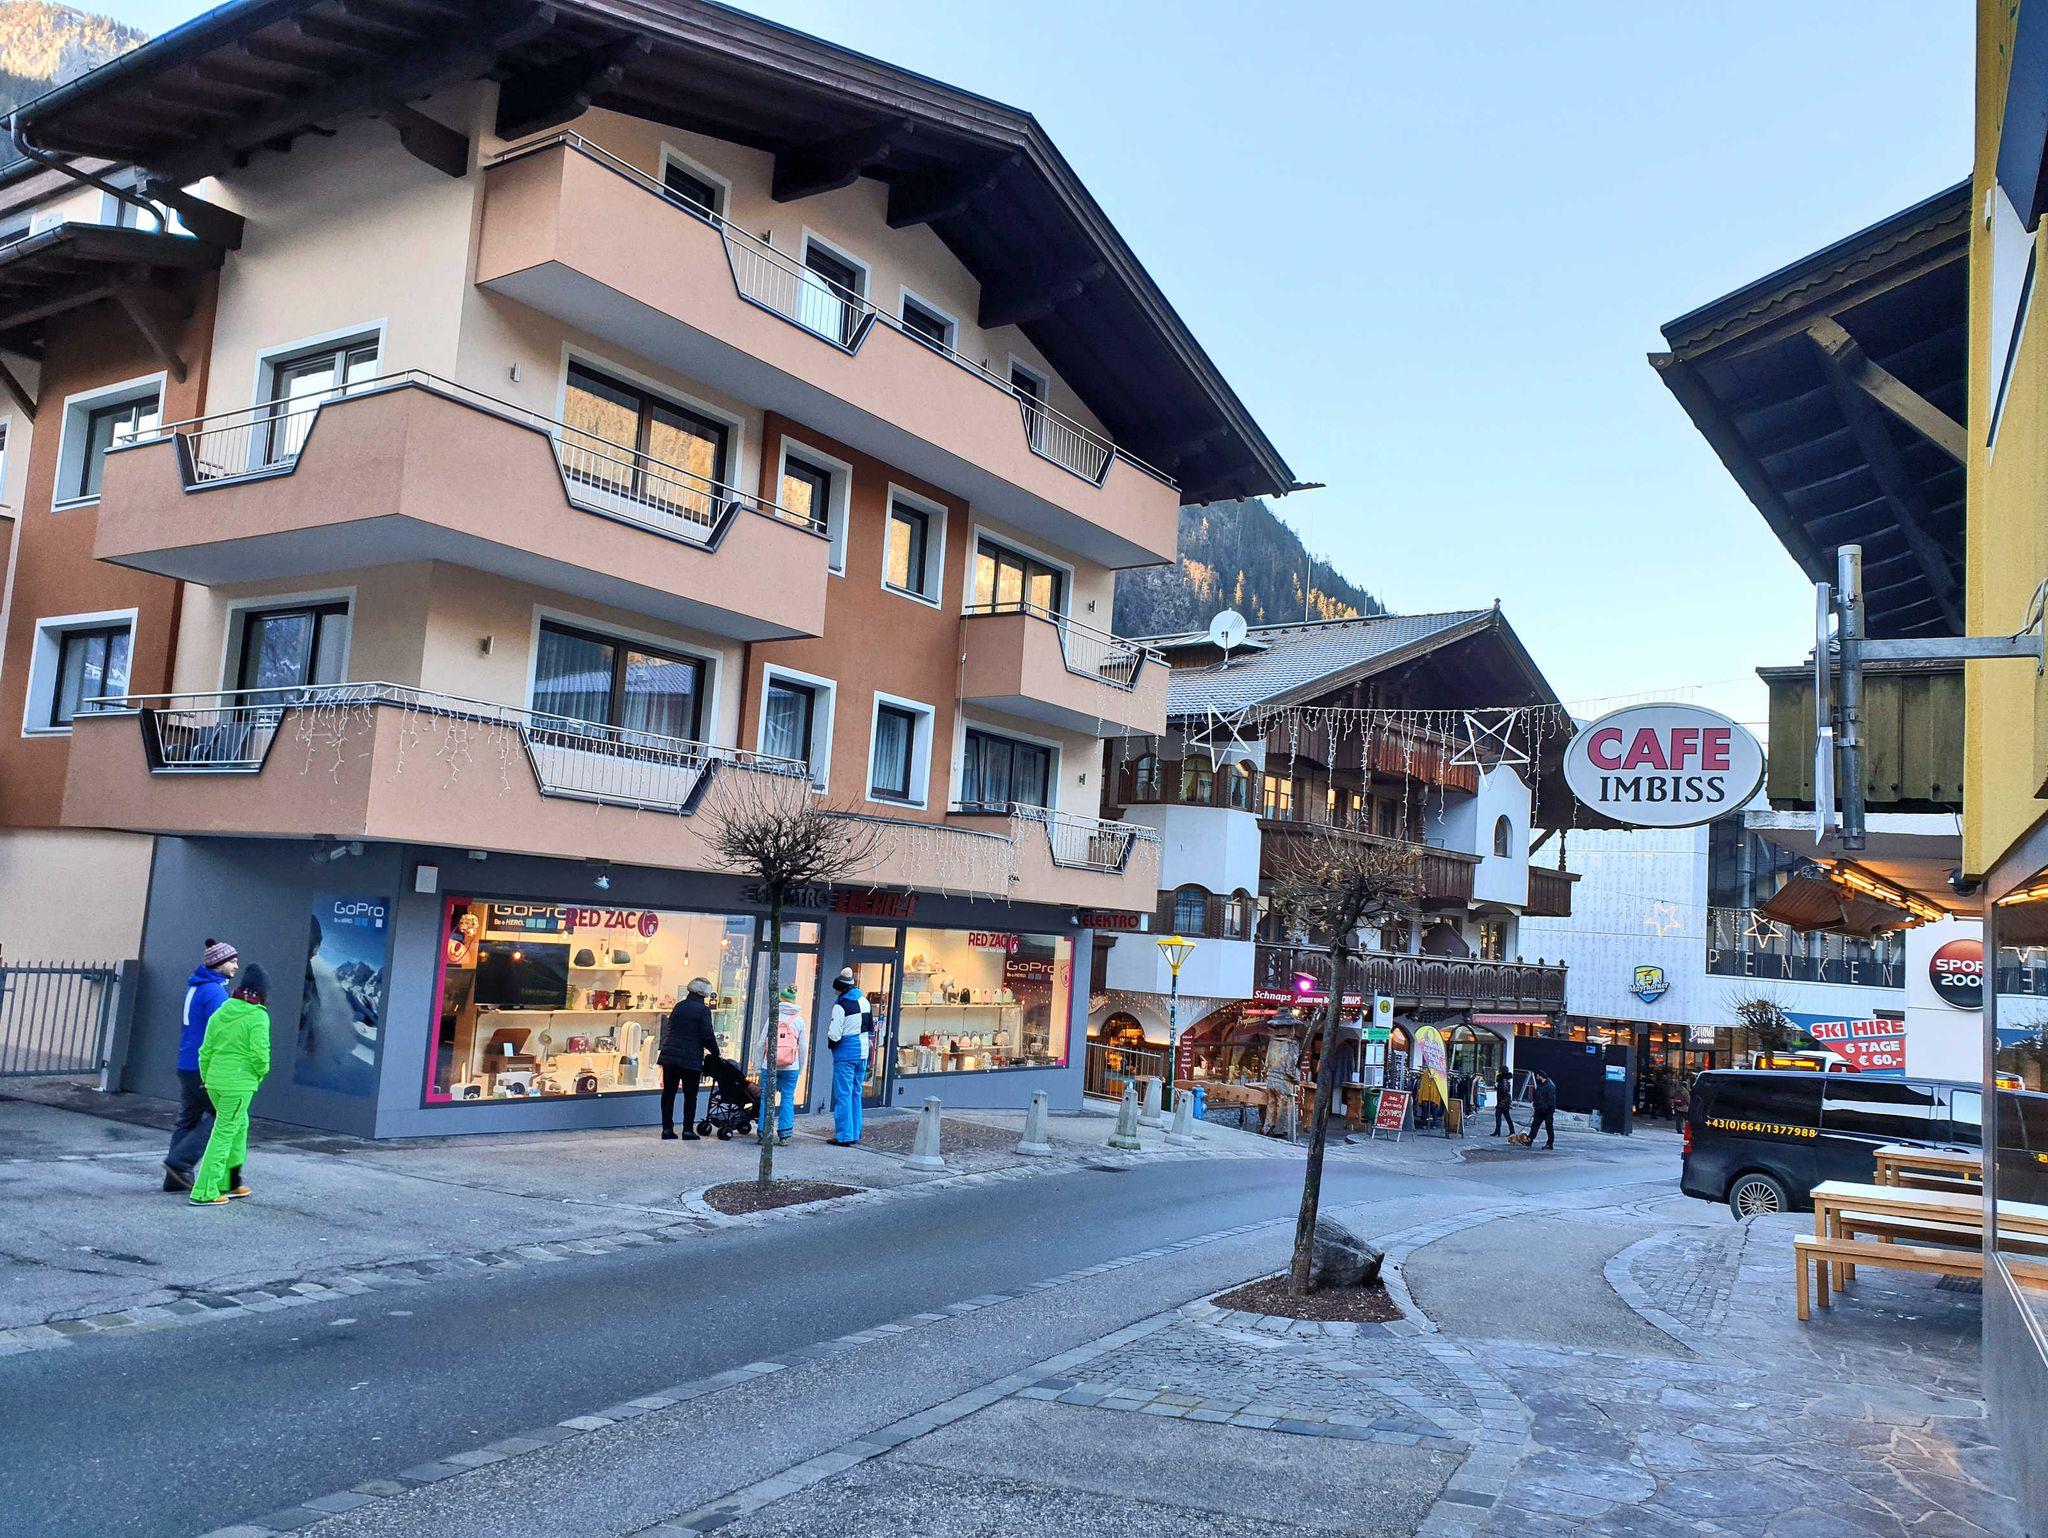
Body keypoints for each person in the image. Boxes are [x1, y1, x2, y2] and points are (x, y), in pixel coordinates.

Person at [190, 962, 272, 1207]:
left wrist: (207, 1077)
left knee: (238, 1127)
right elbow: (260, 1055)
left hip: (215, 1081)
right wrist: (260, 1074)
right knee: (224, 1133)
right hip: (238, 1084)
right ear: (262, 992)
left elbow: (205, 1050)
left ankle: (230, 1182)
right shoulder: (257, 1016)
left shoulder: (222, 1012)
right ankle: (205, 1190)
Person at [164, 939, 238, 1193]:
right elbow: (222, 1032)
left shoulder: (195, 987)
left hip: (186, 1063)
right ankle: (180, 1163)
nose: (236, 966)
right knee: (223, 1114)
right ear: (219, 963)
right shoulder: (214, 992)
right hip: (204, 1066)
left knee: (188, 1119)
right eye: (232, 961)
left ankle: (175, 1178)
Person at [658, 977, 719, 1141]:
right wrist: (716, 1053)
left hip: (670, 1056)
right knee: (690, 1095)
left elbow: (670, 1028)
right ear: (705, 993)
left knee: (668, 1093)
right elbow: (707, 1036)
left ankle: (667, 1129)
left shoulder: (679, 1006)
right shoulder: (703, 1011)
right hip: (690, 1058)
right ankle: (687, 1130)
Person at [826, 967, 870, 1146]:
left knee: (843, 1094)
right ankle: (855, 1132)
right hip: (863, 1052)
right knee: (856, 1093)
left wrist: (831, 1043)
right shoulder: (864, 1001)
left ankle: (844, 1135)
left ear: (840, 988)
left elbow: (835, 1034)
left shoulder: (840, 1005)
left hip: (846, 1053)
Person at [760, 985, 805, 1146]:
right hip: (791, 1066)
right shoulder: (799, 1021)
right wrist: (801, 1067)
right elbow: (803, 1047)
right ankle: (784, 1135)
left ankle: (763, 1133)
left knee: (766, 1098)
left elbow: (761, 1042)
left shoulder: (772, 1018)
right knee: (787, 1098)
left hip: (769, 1065)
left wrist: (760, 1062)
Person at [1529, 1069, 1558, 1152]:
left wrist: (1545, 1108)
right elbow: (1537, 1097)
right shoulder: (1540, 1085)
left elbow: (1551, 1100)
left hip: (1547, 1111)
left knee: (1549, 1127)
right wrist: (1535, 1107)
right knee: (1535, 1125)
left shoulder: (1550, 1086)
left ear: (1541, 1076)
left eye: (1537, 1076)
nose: (1536, 1077)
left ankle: (1550, 1143)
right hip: (1539, 1110)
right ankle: (1529, 1140)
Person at [1492, 1064, 1516, 1138]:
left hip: (1503, 1101)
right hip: (1505, 1101)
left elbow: (1504, 1091)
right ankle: (1511, 1131)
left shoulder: (1503, 1080)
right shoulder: (1504, 1080)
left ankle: (1498, 1131)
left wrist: (1500, 1102)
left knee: (1498, 1115)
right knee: (1507, 1116)